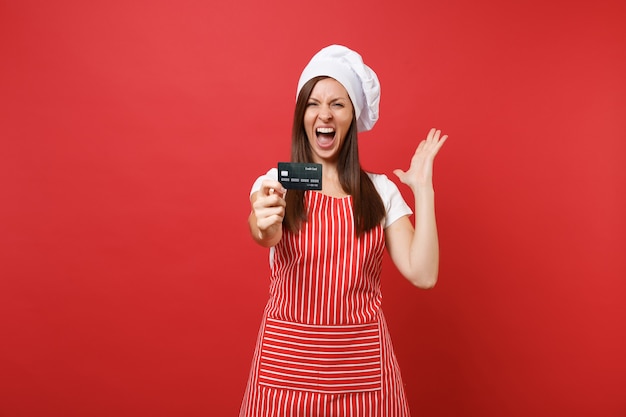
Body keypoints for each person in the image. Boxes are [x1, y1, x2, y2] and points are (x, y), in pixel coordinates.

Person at [240, 45, 448, 417]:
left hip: (362, 376)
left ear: (353, 116)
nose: (325, 114)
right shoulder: (278, 181)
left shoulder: (380, 191)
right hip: (287, 373)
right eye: (314, 103)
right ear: (302, 114)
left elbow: (424, 273)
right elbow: (264, 232)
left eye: (338, 104)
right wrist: (264, 221)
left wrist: (423, 189)